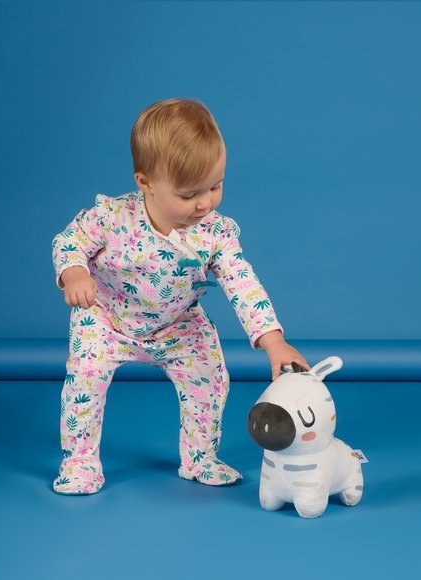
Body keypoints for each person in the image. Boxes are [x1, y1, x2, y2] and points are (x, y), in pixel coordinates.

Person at [51, 97, 310, 495]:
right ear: (146, 183)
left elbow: (242, 283)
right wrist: (74, 273)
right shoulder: (112, 217)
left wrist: (273, 341)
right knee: (84, 377)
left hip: (177, 325)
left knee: (209, 376)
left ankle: (200, 457)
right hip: (105, 317)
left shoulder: (215, 233)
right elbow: (70, 241)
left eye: (216, 186)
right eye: (189, 195)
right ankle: (80, 461)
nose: (205, 203)